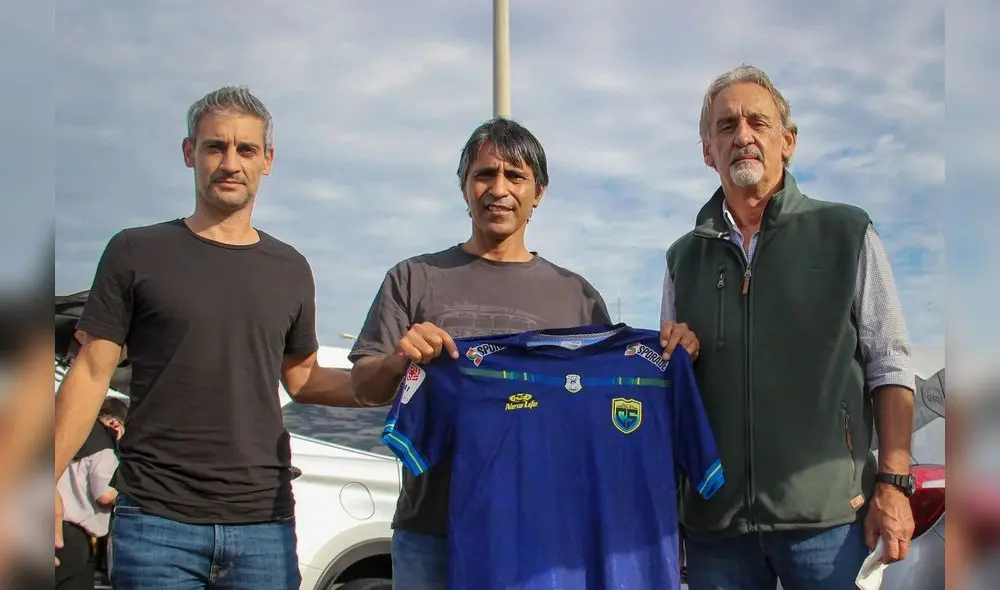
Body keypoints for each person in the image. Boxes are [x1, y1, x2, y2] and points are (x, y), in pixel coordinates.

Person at [349, 117, 701, 589]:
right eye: (484, 174)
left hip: (542, 537)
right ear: (464, 186)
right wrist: (399, 359)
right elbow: (364, 386)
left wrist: (674, 351)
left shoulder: (576, 296)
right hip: (432, 531)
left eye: (515, 176)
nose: (499, 189)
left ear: (539, 193)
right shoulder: (412, 279)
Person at [53, 85, 357, 590]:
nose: (230, 163)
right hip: (155, 521)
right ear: (189, 152)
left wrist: (395, 380)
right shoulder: (135, 252)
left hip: (263, 523)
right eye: (216, 146)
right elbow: (89, 373)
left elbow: (303, 378)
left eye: (246, 149)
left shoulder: (290, 268)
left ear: (268, 161)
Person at [661, 64, 917, 589]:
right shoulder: (682, 259)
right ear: (707, 150)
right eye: (726, 125)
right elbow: (674, 391)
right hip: (716, 530)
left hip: (830, 523)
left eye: (758, 122)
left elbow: (889, 362)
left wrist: (894, 483)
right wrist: (674, 354)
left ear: (788, 141)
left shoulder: (845, 232)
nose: (743, 136)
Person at [55, 397, 127, 589]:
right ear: (115, 424)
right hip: (74, 537)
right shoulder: (104, 449)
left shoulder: (69, 441)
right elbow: (104, 494)